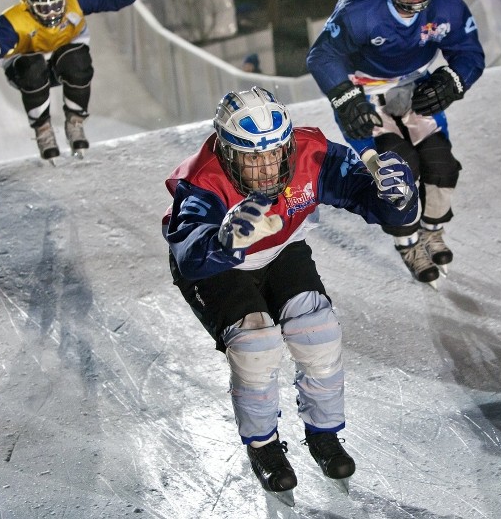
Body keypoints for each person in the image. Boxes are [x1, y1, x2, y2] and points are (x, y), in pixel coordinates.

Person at [162, 86, 418, 498]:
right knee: (254, 344)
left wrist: (400, 198)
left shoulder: (310, 154)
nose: (266, 168)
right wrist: (223, 244)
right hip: (217, 266)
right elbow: (189, 254)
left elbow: (374, 204)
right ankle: (263, 446)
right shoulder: (203, 179)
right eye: (251, 156)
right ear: (227, 153)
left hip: (279, 247)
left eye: (274, 152)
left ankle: (324, 436)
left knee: (318, 331)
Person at [307, 0, 485, 287]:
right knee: (398, 171)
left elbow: (469, 52)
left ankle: (432, 230)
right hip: (366, 93)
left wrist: (454, 79)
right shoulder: (359, 8)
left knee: (442, 166)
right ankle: (407, 242)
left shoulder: (448, 5)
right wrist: (345, 98)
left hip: (417, 88)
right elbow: (322, 54)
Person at [0, 0, 144, 160]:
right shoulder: (15, 19)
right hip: (27, 71)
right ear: (30, 6)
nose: (52, 14)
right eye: (44, 8)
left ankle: (75, 121)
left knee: (76, 59)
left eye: (56, 6)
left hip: (65, 60)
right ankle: (43, 129)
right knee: (33, 66)